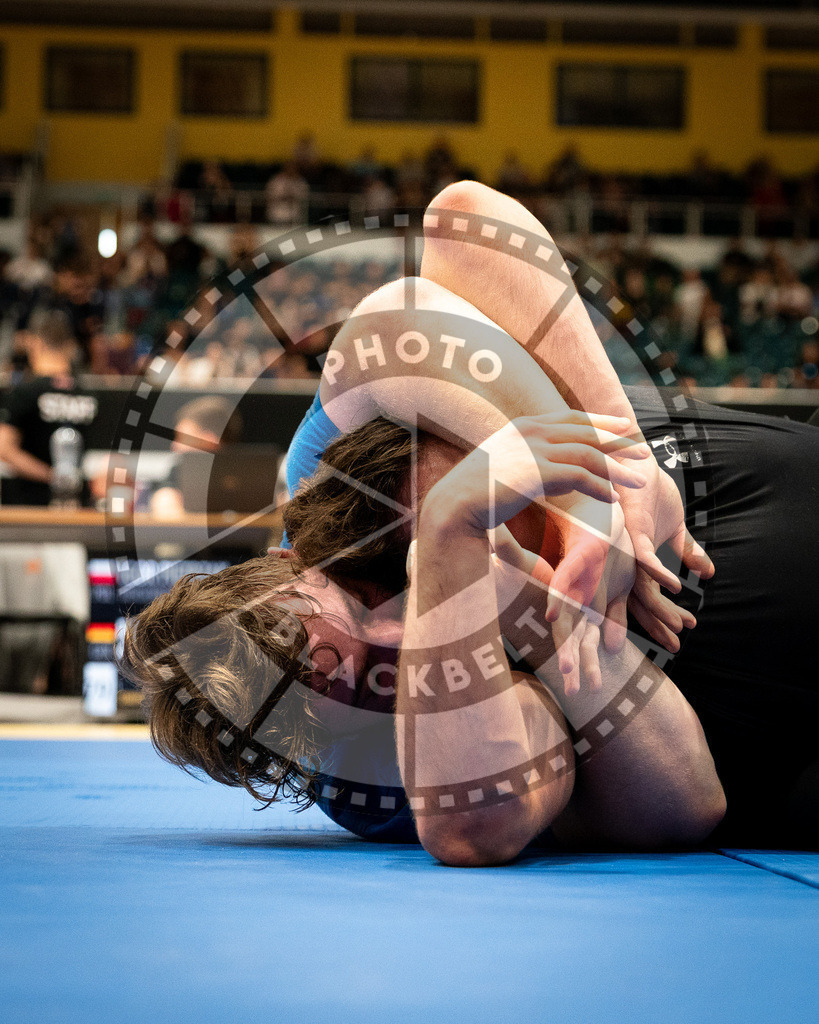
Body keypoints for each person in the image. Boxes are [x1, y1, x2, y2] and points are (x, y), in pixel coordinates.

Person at [124, 183, 818, 858]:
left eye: (362, 605)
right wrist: (479, 573)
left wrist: (607, 483)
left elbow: (456, 230)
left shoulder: (319, 484)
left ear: (286, 565)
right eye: (373, 676)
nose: (394, 630)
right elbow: (672, 803)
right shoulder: (365, 765)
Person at [0, 310, 98, 506]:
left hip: (28, 505)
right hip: (76, 504)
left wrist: (52, 477)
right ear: (71, 347)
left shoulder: (24, 393)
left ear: (34, 343)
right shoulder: (88, 396)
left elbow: (4, 448)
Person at [148, 396, 242, 518]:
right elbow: (164, 498)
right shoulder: (178, 470)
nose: (174, 446)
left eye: (182, 438)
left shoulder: (253, 472)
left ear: (209, 439)